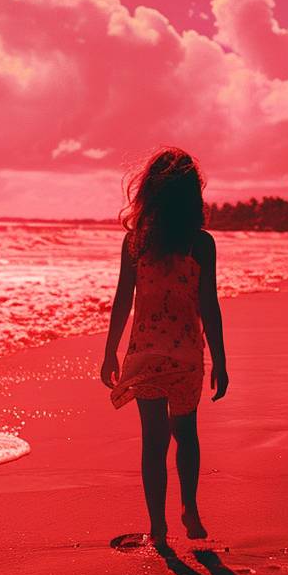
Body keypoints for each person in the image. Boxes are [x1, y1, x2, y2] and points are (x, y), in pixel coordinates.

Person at [100, 147, 229, 545]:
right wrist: (221, 360)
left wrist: (110, 351)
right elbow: (209, 303)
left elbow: (124, 299)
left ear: (149, 193)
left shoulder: (135, 243)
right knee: (186, 434)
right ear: (193, 195)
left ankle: (158, 527)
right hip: (187, 354)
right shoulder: (201, 244)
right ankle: (189, 507)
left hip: (145, 353)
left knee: (153, 442)